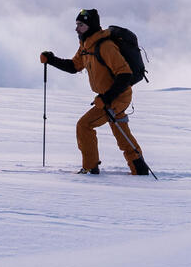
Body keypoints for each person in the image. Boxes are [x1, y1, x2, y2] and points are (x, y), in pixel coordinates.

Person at [41, 9, 151, 175]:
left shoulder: (105, 46)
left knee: (84, 125)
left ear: (90, 26)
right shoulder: (86, 46)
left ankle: (90, 167)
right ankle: (139, 167)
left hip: (116, 97)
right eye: (77, 24)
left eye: (81, 25)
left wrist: (106, 98)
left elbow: (125, 74)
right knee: (121, 132)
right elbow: (74, 66)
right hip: (109, 97)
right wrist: (51, 60)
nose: (77, 29)